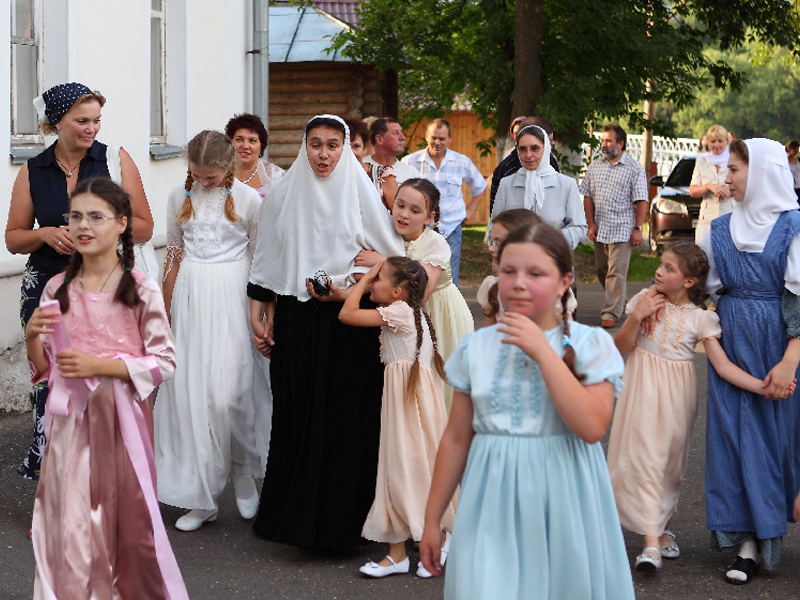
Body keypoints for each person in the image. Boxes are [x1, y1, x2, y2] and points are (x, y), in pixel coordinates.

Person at [418, 222, 634, 600]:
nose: (518, 283)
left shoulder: (592, 344)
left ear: (564, 282)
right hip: (490, 500)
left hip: (565, 500)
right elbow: (456, 438)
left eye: (535, 274)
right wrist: (433, 519)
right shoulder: (475, 348)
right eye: (508, 271)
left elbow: (591, 427)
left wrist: (542, 351)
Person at [26, 178, 188, 600]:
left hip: (121, 423)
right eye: (76, 216)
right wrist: (31, 337)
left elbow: (165, 361)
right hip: (71, 426)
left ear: (121, 224)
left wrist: (101, 365)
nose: (84, 226)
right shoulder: (57, 289)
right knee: (71, 524)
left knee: (127, 525)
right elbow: (45, 369)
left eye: (96, 217)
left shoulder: (139, 289)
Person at [247, 114, 404, 549]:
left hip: (349, 319)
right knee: (296, 413)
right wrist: (258, 312)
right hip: (297, 319)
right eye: (315, 144)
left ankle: (345, 523)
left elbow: (393, 259)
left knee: (345, 418)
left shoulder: (360, 192)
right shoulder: (282, 195)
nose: (323, 154)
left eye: (333, 145)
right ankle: (292, 518)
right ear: (304, 146)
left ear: (345, 147)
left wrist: (364, 274)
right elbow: (268, 259)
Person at [5, 82, 155, 481]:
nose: (92, 129)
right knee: (50, 374)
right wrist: (43, 234)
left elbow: (144, 225)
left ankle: (103, 465)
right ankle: (52, 466)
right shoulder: (32, 170)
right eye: (82, 121)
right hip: (45, 284)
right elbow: (13, 238)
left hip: (102, 282)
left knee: (97, 369)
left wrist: (97, 235)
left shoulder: (114, 159)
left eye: (96, 120)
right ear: (57, 122)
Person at [607, 241, 777, 573]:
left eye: (669, 268)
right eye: (661, 264)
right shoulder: (643, 301)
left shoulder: (701, 319)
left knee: (668, 466)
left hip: (676, 398)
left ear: (689, 281)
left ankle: (661, 528)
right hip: (640, 391)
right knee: (642, 461)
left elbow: (723, 366)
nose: (659, 271)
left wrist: (761, 386)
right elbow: (618, 349)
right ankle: (651, 546)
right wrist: (637, 315)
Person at [699, 138, 800, 584]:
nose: (727, 178)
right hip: (732, 342)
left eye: (735, 169)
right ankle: (745, 543)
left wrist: (790, 361)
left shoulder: (793, 228)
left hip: (778, 347)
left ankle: (766, 532)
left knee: (773, 442)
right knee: (731, 439)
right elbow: (704, 288)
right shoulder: (720, 229)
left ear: (762, 173)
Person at [154, 130, 265, 532]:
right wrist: (166, 310)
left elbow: (258, 259)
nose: (203, 182)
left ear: (228, 166)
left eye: (211, 177)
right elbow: (174, 254)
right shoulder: (178, 196)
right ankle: (202, 496)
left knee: (227, 395)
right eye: (197, 175)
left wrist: (260, 312)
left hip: (232, 295)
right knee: (193, 397)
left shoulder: (250, 200)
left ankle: (240, 469)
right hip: (190, 297)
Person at [338, 257, 455, 579]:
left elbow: (346, 314)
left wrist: (364, 279)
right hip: (408, 403)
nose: (373, 282)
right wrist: (372, 277)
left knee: (406, 469)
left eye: (379, 279)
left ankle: (433, 540)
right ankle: (399, 553)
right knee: (402, 469)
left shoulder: (400, 311)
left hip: (408, 406)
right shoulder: (407, 311)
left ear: (397, 292)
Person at [356, 179, 474, 411]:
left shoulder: (435, 243)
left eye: (415, 211)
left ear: (429, 217)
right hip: (403, 320)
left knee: (436, 380)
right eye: (400, 205)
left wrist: (383, 262)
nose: (404, 214)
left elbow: (420, 293)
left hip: (439, 315)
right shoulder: (386, 235)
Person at [402, 118, 487, 285]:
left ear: (449, 138)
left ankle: (448, 303)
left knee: (448, 278)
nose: (437, 142)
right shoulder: (410, 162)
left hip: (451, 229)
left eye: (441, 138)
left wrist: (470, 210)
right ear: (426, 136)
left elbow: (480, 186)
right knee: (416, 276)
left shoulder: (461, 162)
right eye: (433, 138)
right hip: (418, 231)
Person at [580, 123, 648, 329]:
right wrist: (591, 224)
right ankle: (620, 302)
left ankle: (610, 313)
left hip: (622, 229)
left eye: (608, 141)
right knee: (602, 270)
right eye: (603, 140)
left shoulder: (634, 168)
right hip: (601, 228)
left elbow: (642, 200)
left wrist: (638, 228)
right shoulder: (595, 166)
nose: (604, 144)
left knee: (615, 273)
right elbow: (587, 196)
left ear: (621, 143)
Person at [491, 125, 587, 249]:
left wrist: (552, 239)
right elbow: (495, 224)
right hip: (515, 255)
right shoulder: (507, 184)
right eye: (523, 149)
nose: (528, 154)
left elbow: (579, 227)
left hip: (553, 254)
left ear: (546, 149)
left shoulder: (566, 185)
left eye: (534, 148)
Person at [489, 116, 561, 216]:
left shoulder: (551, 161)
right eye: (548, 140)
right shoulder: (507, 170)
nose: (552, 144)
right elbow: (498, 216)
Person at [225, 113, 286, 200]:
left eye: (252, 141)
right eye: (239, 139)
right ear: (230, 142)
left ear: (261, 147)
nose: (245, 146)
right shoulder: (218, 172)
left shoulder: (277, 176)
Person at [689, 124, 733, 243]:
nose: (716, 145)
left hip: (730, 217)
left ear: (726, 141)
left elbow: (745, 186)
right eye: (713, 141)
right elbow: (692, 191)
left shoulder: (734, 160)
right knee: (705, 252)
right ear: (708, 142)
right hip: (707, 219)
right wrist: (709, 187)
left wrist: (730, 191)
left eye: (720, 141)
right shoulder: (702, 161)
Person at [364, 118, 420, 210]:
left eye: (401, 132)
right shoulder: (362, 167)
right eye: (396, 133)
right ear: (380, 139)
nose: (402, 137)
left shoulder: (411, 172)